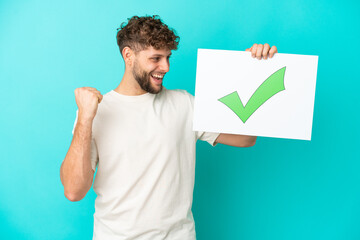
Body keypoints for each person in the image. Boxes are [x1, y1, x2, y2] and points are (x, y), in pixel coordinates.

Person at [60, 15, 277, 240]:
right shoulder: (96, 111)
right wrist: (86, 118)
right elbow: (74, 191)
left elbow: (246, 139)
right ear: (128, 55)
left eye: (167, 57)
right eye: (156, 58)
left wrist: (252, 71)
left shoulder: (185, 104)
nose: (166, 67)